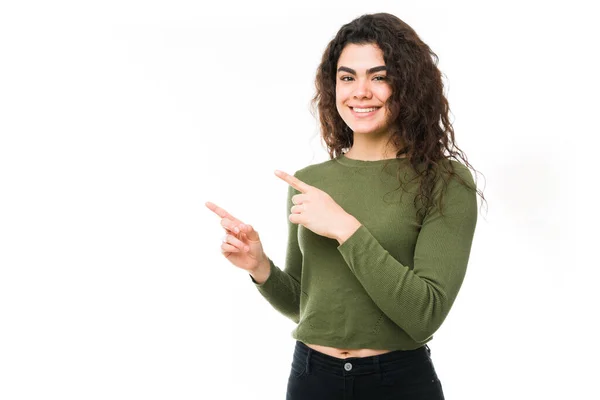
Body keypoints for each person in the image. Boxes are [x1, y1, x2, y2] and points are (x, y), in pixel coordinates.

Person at [205, 12, 485, 400]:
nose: (360, 91)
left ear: (408, 85)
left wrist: (345, 228)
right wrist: (260, 267)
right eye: (347, 77)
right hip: (311, 378)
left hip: (398, 383)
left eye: (379, 76)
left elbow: (425, 315)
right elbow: (307, 308)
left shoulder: (444, 181)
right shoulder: (311, 181)